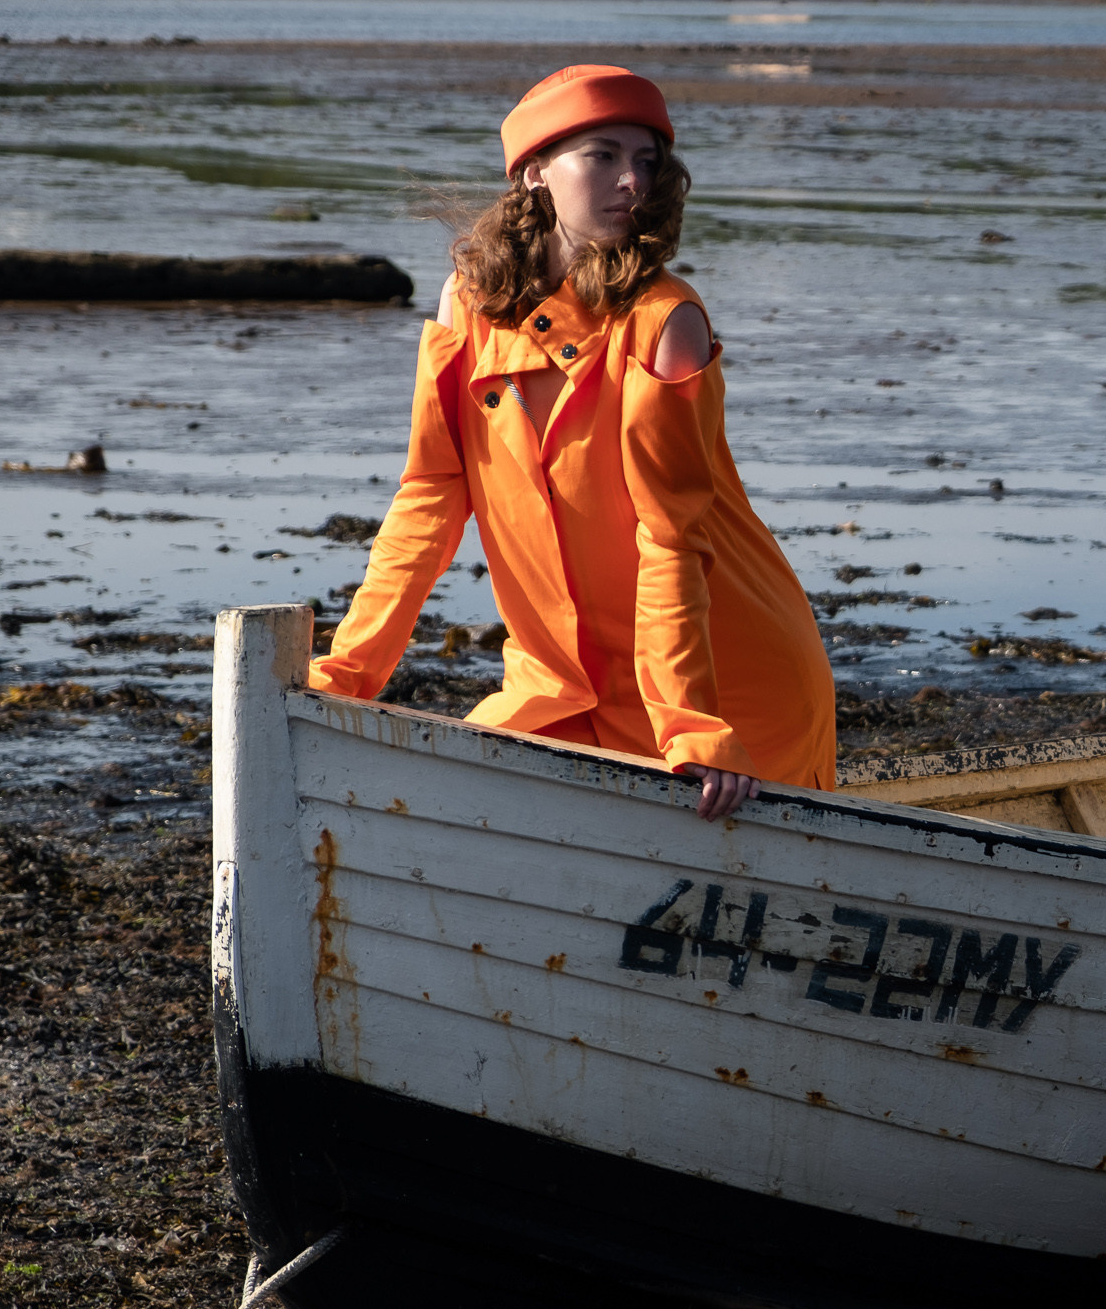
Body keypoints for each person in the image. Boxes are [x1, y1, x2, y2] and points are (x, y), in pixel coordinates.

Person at [308, 64, 835, 820]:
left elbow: (669, 538)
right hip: (555, 690)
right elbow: (429, 496)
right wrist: (347, 676)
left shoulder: (667, 323)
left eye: (648, 162)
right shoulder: (468, 304)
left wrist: (690, 724)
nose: (632, 181)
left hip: (725, 699)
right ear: (534, 173)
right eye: (603, 155)